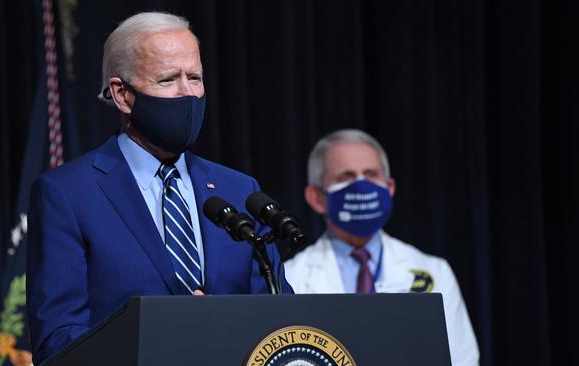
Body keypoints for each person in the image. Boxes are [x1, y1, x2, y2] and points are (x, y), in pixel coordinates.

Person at [26, 12, 291, 364]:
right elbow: (58, 342)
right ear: (122, 94)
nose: (188, 94)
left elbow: (279, 325)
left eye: (195, 77)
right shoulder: (67, 194)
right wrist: (169, 336)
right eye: (168, 80)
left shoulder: (240, 190)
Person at [284, 129, 479, 366]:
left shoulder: (434, 271)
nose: (361, 185)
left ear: (390, 188)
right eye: (346, 177)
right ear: (316, 197)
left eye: (370, 174)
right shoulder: (290, 276)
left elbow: (462, 359)